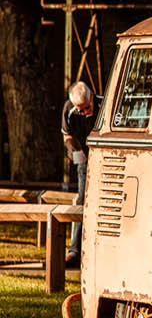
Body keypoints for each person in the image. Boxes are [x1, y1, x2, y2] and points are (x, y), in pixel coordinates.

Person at [61, 81, 100, 266]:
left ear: (92, 97)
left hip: (103, 158)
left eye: (86, 108)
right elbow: (67, 136)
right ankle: (75, 251)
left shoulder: (104, 105)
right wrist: (72, 149)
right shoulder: (69, 110)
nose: (83, 113)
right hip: (83, 159)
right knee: (82, 200)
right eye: (80, 109)